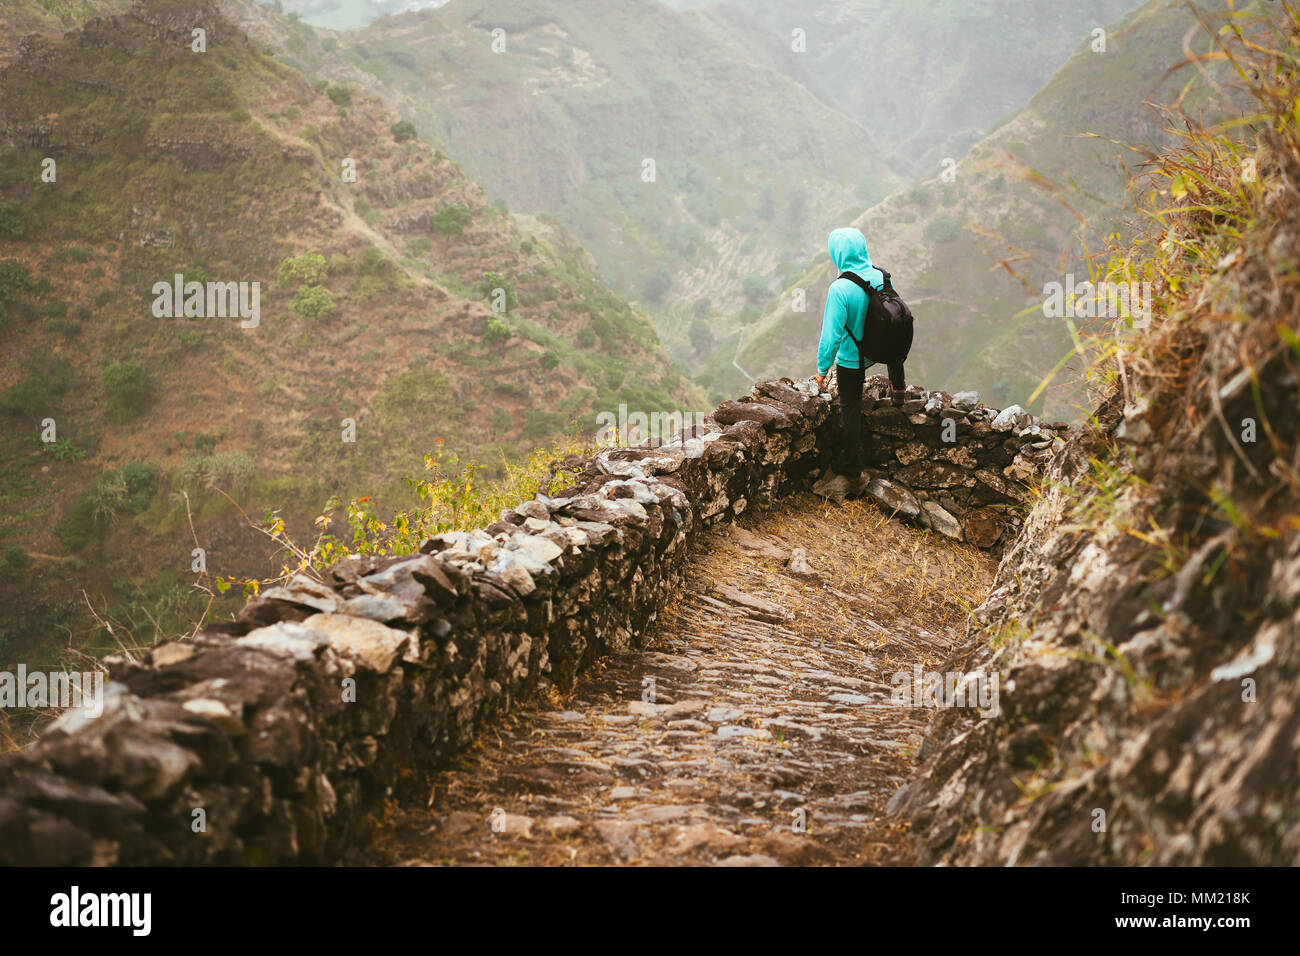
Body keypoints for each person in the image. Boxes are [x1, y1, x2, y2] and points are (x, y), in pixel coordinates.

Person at [811, 226, 907, 501]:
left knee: (849, 410)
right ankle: (898, 388)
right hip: (882, 348)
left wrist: (821, 370)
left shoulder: (840, 288)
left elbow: (831, 337)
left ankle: (851, 469)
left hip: (853, 358)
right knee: (894, 335)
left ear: (837, 254)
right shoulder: (881, 275)